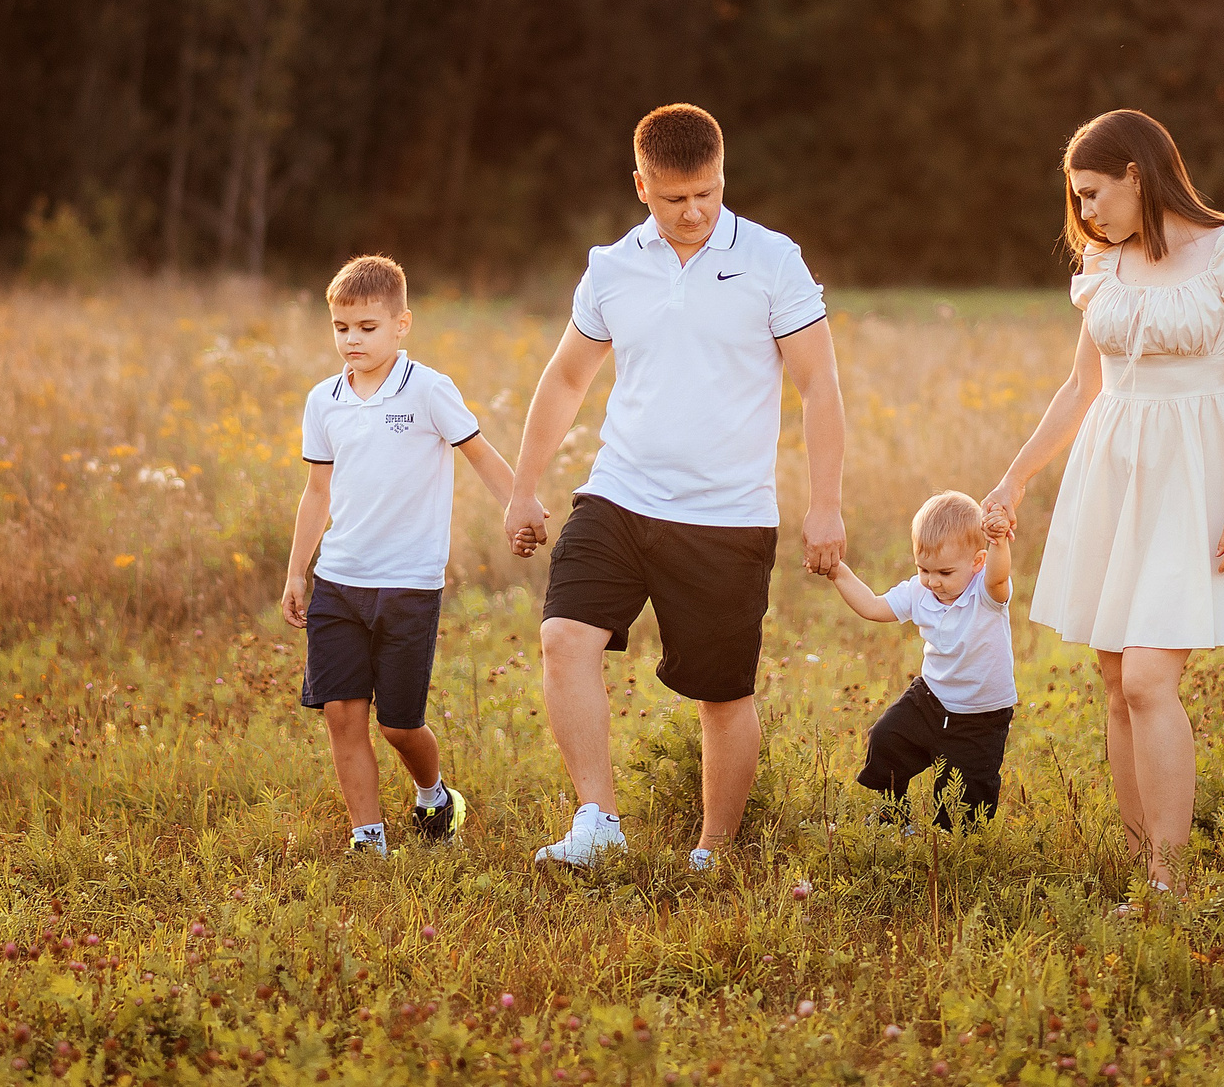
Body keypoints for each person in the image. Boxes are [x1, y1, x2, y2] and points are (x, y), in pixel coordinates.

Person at [505, 103, 847, 871]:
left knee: (722, 693)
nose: (694, 211)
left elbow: (819, 384)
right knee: (564, 636)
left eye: (707, 192)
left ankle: (713, 851)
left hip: (728, 516)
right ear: (641, 186)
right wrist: (524, 486)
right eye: (674, 197)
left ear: (723, 175)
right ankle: (598, 822)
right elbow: (566, 378)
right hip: (619, 494)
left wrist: (825, 504)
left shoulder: (773, 261)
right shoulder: (611, 267)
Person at [982, 110, 1224, 906]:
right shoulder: (1104, 262)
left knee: (1151, 679)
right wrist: (1014, 479)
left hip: (1197, 482)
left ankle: (1169, 882)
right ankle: (1139, 868)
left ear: (1137, 173)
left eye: (1093, 193)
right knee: (1118, 682)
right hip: (1114, 475)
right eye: (1077, 198)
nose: (1085, 212)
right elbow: (1081, 387)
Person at [281, 255, 517, 856]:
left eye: (367, 327)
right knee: (341, 713)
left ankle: (434, 794)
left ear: (401, 324)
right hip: (339, 581)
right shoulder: (324, 400)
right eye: (341, 328)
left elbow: (480, 453)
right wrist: (296, 573)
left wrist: (521, 506)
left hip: (409, 585)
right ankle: (369, 837)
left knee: (398, 725)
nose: (352, 340)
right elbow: (316, 492)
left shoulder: (429, 390)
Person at [825, 490, 1017, 831]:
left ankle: (953, 840)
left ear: (977, 562)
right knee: (886, 739)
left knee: (961, 811)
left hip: (980, 715)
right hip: (931, 699)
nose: (933, 581)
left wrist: (999, 542)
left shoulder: (986, 593)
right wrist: (838, 572)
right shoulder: (920, 591)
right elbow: (873, 607)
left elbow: (999, 575)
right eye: (924, 569)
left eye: (945, 572)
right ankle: (893, 814)